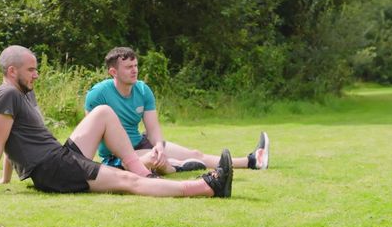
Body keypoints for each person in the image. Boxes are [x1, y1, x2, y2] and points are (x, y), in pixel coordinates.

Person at [0, 45, 234, 199]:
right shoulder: (5, 95)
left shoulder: (23, 93)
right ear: (11, 70)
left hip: (57, 157)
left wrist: (7, 178)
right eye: (31, 70)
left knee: (102, 112)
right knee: (126, 181)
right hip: (53, 169)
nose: (36, 74)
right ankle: (207, 186)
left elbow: (15, 140)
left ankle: (140, 168)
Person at [84, 46, 269, 175]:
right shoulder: (98, 94)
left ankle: (252, 161)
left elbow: (153, 128)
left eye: (136, 66)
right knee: (156, 160)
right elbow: (93, 132)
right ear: (113, 72)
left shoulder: (143, 90)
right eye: (128, 67)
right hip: (118, 155)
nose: (135, 71)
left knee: (195, 154)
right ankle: (176, 167)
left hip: (141, 142)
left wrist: (158, 145)